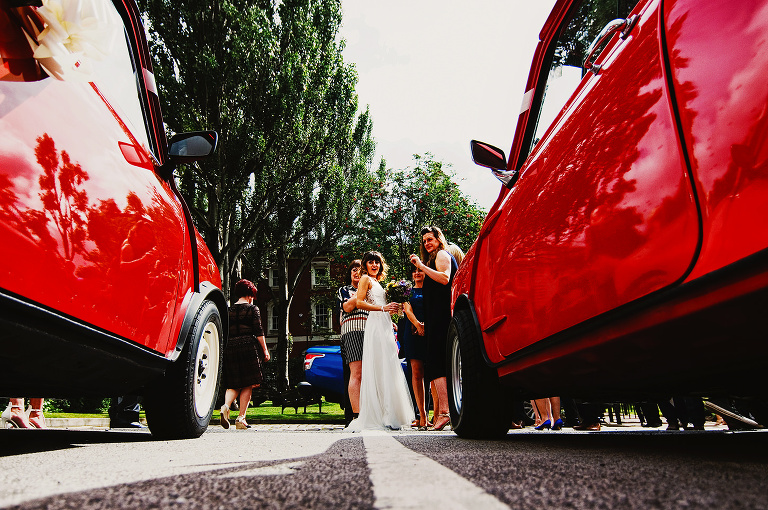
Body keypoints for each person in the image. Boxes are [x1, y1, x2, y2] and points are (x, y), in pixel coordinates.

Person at [347, 251, 415, 431]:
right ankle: (382, 415)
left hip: (384, 325)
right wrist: (383, 308)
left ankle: (391, 413)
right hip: (374, 327)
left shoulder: (379, 283)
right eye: (370, 262)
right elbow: (359, 303)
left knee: (389, 366)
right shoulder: (365, 280)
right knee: (379, 367)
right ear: (365, 265)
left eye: (377, 262)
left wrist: (391, 316)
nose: (374, 265)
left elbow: (381, 305)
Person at [409, 225, 458, 431]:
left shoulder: (442, 255)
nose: (427, 243)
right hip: (436, 318)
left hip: (442, 317)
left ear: (439, 239)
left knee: (437, 362)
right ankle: (446, 412)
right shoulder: (434, 257)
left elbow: (445, 278)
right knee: (438, 363)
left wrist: (421, 265)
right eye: (425, 241)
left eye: (430, 239)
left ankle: (445, 412)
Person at [220, 279, 270, 430]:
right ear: (250, 294)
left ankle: (225, 406)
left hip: (231, 346)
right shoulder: (252, 309)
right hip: (248, 346)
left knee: (234, 382)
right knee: (248, 383)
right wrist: (265, 350)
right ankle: (241, 418)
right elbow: (259, 331)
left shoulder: (228, 311)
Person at [337, 259, 368, 425]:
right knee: (353, 374)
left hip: (369, 331)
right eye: (354, 270)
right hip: (351, 332)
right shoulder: (344, 290)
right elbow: (346, 308)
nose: (357, 273)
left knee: (368, 375)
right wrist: (357, 297)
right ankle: (352, 416)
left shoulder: (370, 289)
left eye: (360, 270)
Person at [402, 262, 429, 429]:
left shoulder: (432, 290)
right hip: (412, 333)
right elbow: (407, 309)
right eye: (414, 271)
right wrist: (418, 325)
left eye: (420, 270)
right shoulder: (407, 292)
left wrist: (427, 326)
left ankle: (439, 413)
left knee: (433, 374)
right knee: (417, 373)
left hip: (430, 333)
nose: (417, 273)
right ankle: (421, 415)